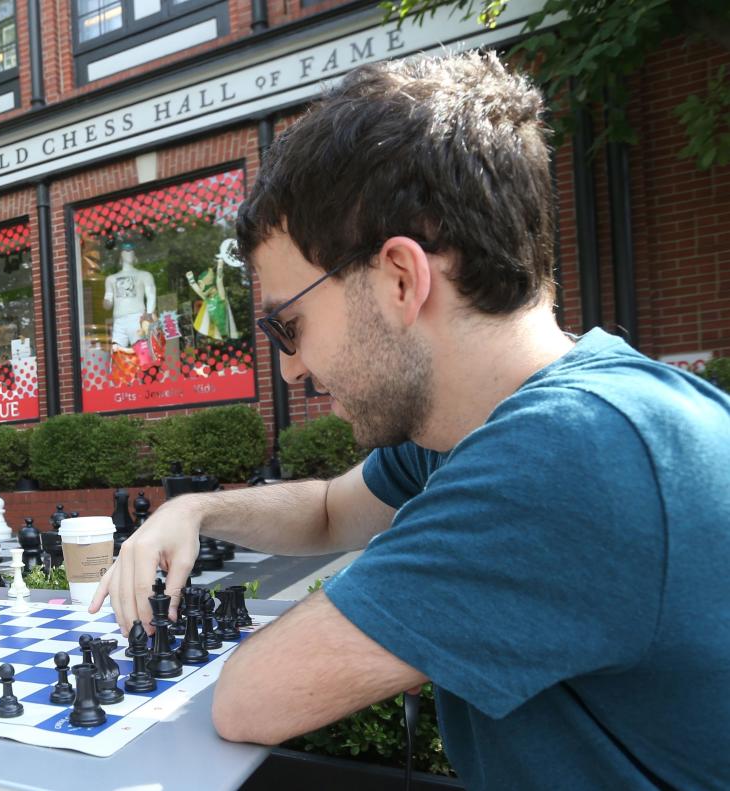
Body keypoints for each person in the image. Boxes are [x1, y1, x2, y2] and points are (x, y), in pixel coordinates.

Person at [92, 52, 730, 789]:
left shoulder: (569, 454)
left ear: (401, 278)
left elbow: (249, 700)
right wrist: (197, 510)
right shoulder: (490, 424)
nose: (291, 369)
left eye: (288, 325)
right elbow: (331, 510)